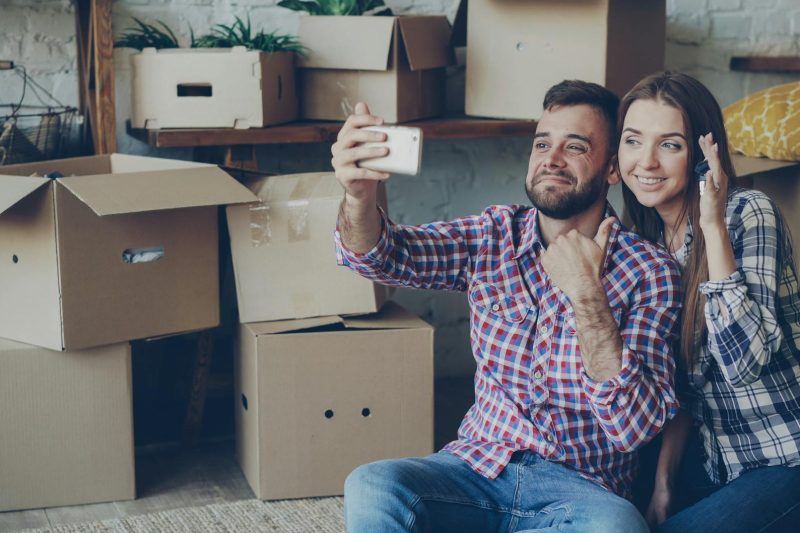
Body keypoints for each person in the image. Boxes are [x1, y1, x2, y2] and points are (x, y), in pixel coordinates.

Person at [330, 80, 682, 532]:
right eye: (542, 144)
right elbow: (379, 255)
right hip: (476, 470)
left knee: (618, 527)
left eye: (574, 147)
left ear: (612, 168)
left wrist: (589, 299)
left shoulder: (649, 271)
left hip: (582, 492)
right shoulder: (493, 233)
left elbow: (632, 428)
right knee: (373, 484)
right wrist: (359, 196)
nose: (551, 159)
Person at [617, 71, 800, 533]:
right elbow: (676, 385)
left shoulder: (748, 213)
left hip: (784, 454)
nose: (647, 162)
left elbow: (743, 363)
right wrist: (662, 485)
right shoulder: (643, 241)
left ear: (704, 155)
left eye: (670, 145)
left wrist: (712, 226)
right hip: (715, 456)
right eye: (633, 140)